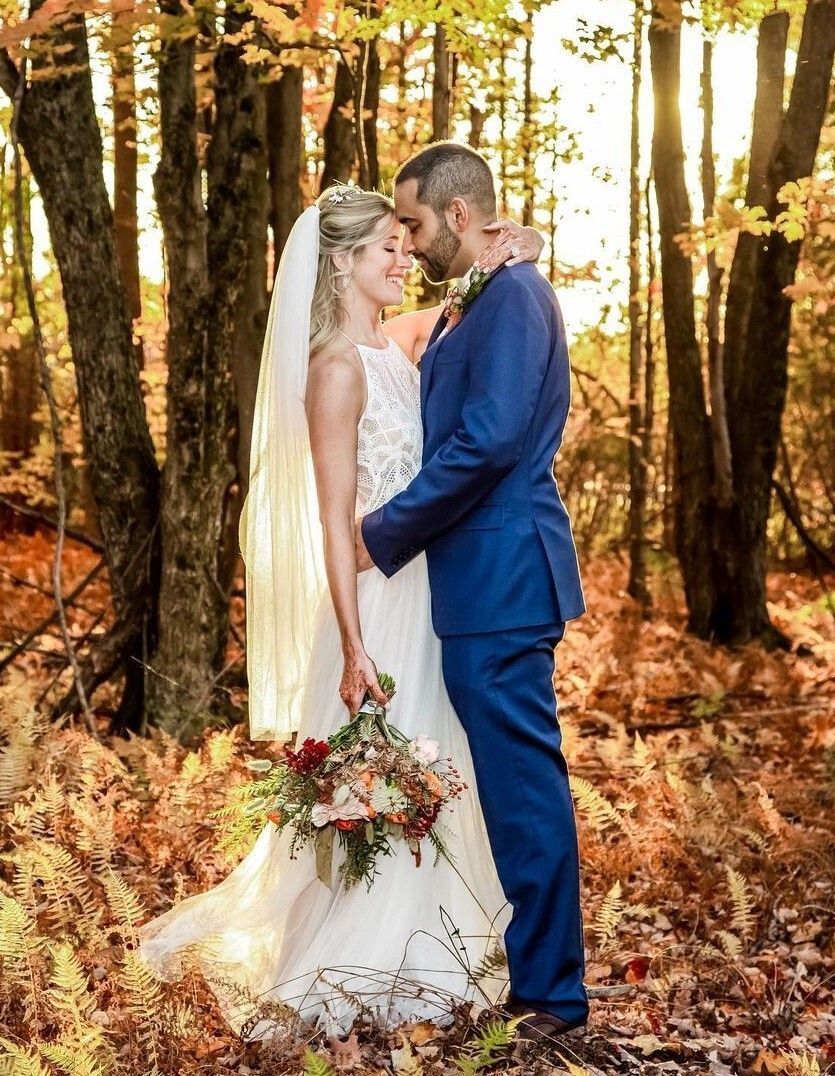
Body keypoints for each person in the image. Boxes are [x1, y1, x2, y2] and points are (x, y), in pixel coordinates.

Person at [136, 181, 546, 1040]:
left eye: (407, 245)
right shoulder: (330, 369)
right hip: (375, 606)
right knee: (383, 776)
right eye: (385, 252)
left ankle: (444, 948)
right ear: (340, 264)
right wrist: (354, 643)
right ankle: (364, 955)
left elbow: (472, 310)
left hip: (437, 591)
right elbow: (331, 517)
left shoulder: (402, 346)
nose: (404, 261)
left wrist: (524, 246)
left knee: (441, 769)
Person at [356, 142, 589, 1037]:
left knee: (523, 790)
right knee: (503, 786)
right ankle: (529, 976)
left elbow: (489, 441)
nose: (406, 243)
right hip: (473, 579)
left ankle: (553, 998)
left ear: (457, 215)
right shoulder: (482, 293)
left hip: (502, 575)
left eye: (412, 223)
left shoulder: (516, 299)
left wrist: (381, 534)